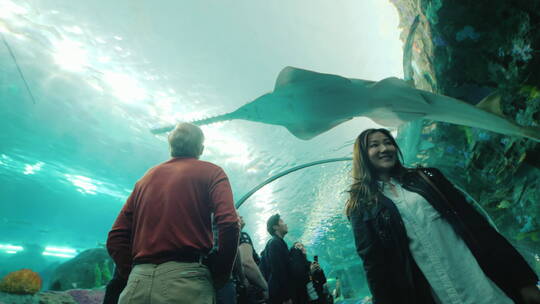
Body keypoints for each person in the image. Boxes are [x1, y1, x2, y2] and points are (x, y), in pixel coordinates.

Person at [346, 128, 540, 304]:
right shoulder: (362, 206)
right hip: (435, 294)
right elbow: (375, 267)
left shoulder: (427, 178)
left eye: (388, 142)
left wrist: (523, 280)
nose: (384, 148)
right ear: (363, 155)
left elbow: (478, 226)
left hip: (481, 284)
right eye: (374, 145)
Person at [106, 122, 240, 304]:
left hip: (136, 285)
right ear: (201, 148)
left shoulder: (145, 180)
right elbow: (229, 223)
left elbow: (115, 236)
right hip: (186, 282)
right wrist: (222, 274)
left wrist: (133, 273)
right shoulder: (212, 172)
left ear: (171, 146)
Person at [261, 214, 293, 304]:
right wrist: (286, 297)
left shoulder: (276, 243)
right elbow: (279, 271)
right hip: (280, 295)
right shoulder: (275, 243)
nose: (285, 224)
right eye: (281, 221)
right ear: (275, 227)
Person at [238, 216, 269, 303]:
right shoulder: (242, 235)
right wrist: (266, 287)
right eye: (237, 215)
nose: (241, 216)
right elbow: (247, 262)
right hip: (255, 292)